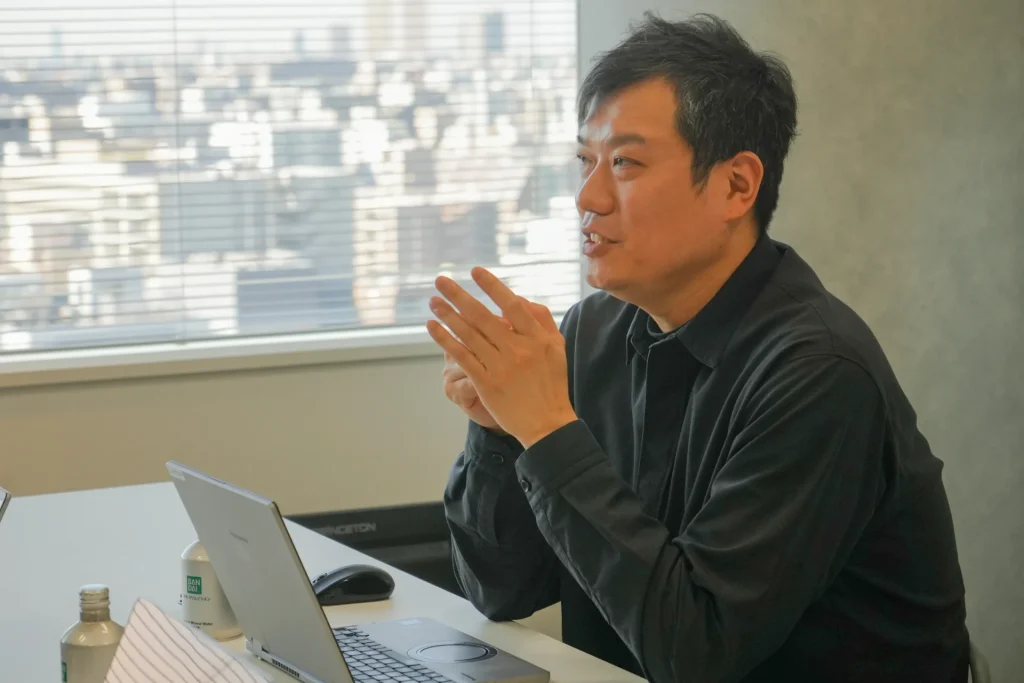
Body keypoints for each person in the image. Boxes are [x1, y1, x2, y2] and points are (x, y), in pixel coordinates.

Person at [426, 12, 969, 683]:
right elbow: (500, 591)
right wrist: (499, 427)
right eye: (585, 161)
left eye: (624, 163)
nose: (587, 197)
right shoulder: (591, 331)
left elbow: (698, 650)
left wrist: (546, 428)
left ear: (736, 185)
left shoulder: (819, 373)